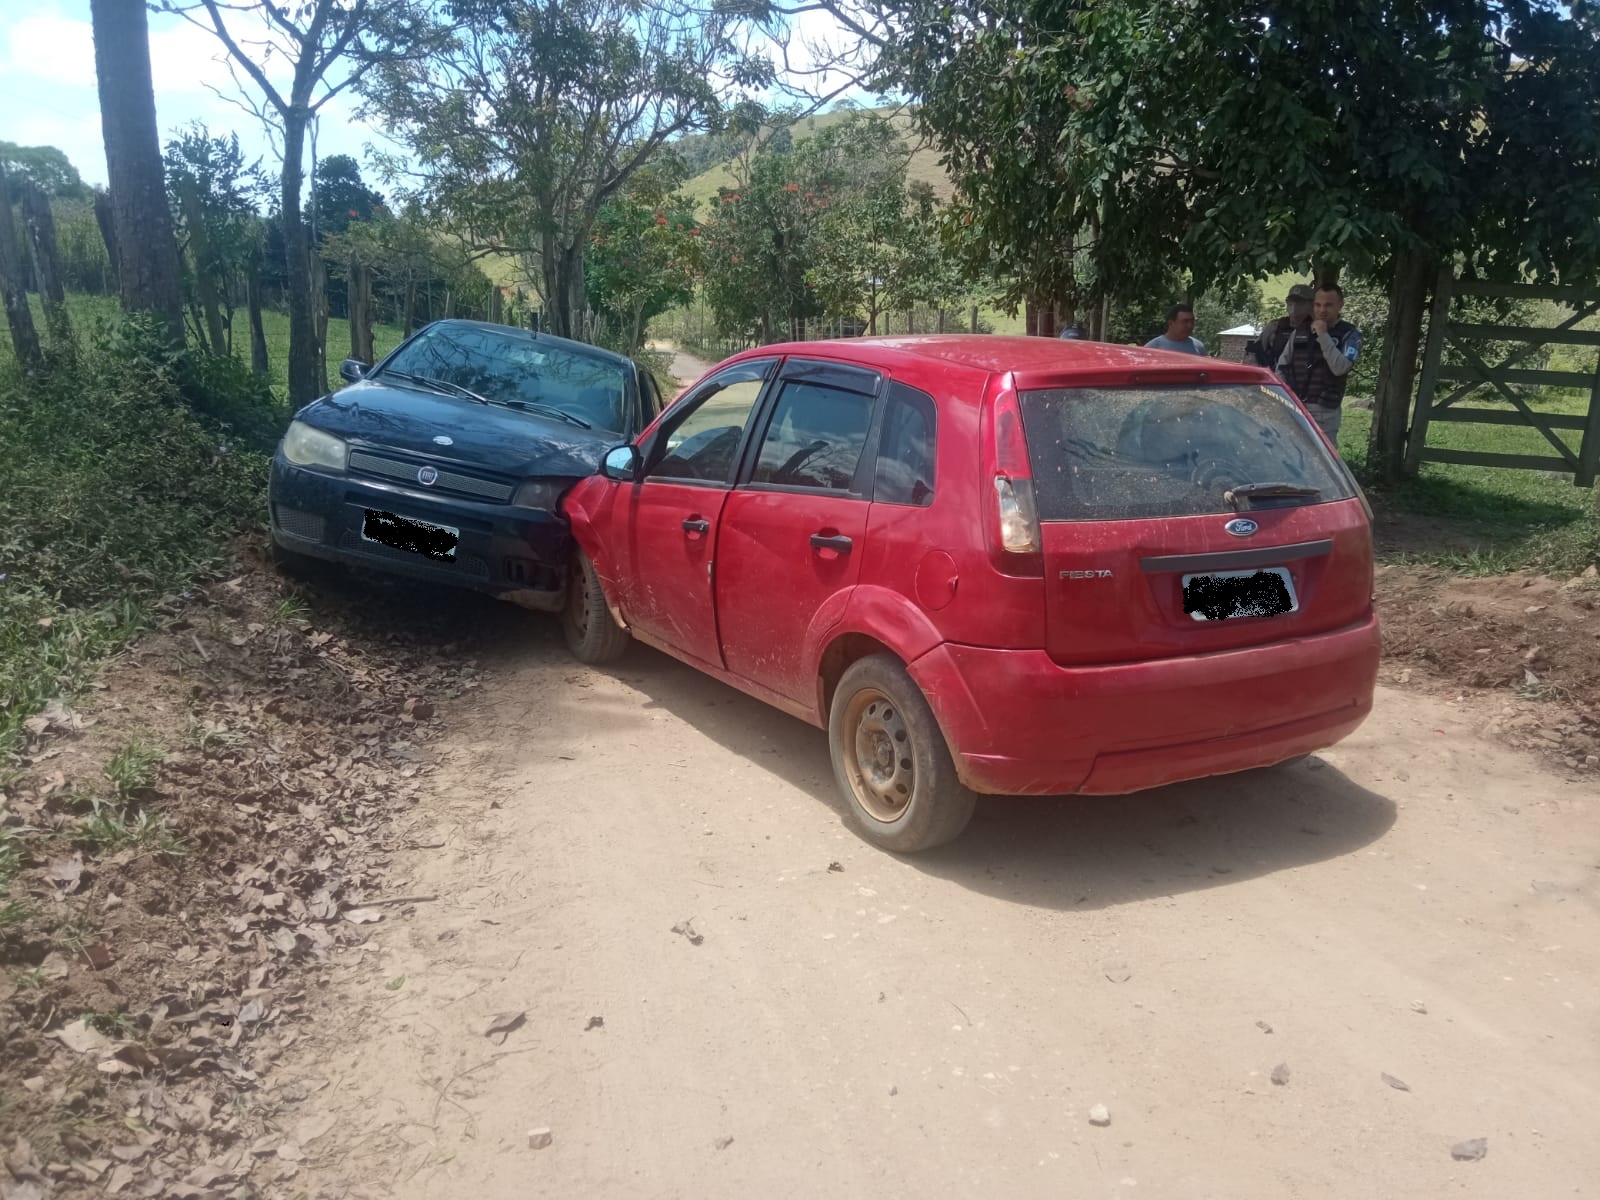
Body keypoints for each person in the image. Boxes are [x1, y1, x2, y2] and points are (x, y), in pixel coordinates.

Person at [1251, 284, 1362, 448]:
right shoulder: (1301, 331)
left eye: (1328, 305)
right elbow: (1282, 365)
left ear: (1340, 305)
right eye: (1318, 305)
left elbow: (1340, 367)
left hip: (1324, 411)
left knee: (1321, 461)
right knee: (1286, 452)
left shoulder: (1350, 334)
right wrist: (1284, 397)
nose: (1322, 310)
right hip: (1294, 405)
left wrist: (1323, 335)